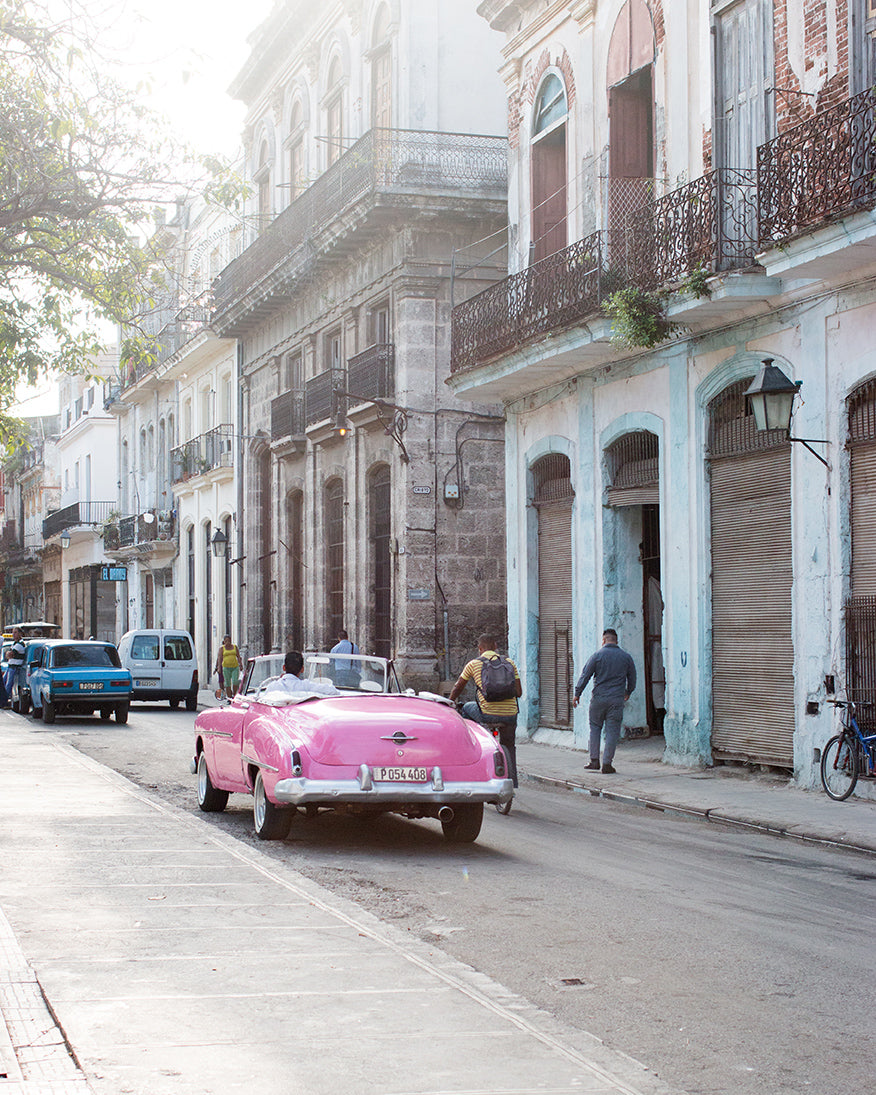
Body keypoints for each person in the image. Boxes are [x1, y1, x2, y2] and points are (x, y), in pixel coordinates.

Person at [449, 634, 522, 789]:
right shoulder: (509, 663)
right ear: (495, 646)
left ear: (480, 649)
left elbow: (458, 687)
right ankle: (512, 783)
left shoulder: (474, 664)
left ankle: (470, 743)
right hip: (510, 714)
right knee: (509, 745)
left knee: (465, 708)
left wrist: (450, 701)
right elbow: (519, 692)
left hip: (487, 713)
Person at [573, 628, 637, 774]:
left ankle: (594, 761)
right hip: (616, 700)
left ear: (603, 640)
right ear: (616, 641)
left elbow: (585, 675)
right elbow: (633, 678)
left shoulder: (597, 656)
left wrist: (577, 694)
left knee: (595, 728)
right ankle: (607, 764)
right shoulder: (626, 657)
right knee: (612, 731)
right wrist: (628, 691)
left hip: (598, 699)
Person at [271, 651, 341, 696]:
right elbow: (333, 691)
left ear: (284, 668)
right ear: (302, 669)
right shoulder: (306, 686)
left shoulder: (273, 686)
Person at [215, 635, 241, 701]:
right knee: (227, 683)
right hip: (226, 667)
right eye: (226, 641)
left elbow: (238, 656)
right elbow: (220, 658)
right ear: (224, 641)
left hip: (235, 667)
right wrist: (219, 668)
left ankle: (234, 695)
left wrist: (241, 664)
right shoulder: (222, 649)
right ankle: (229, 697)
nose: (227, 642)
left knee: (235, 681)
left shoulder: (235, 647)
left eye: (229, 641)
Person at [4, 627, 26, 700]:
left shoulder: (20, 644)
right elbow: (7, 654)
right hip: (10, 666)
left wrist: (9, 654)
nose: (13, 634)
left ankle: (5, 699)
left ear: (20, 634)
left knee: (9, 684)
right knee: (4, 682)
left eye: (15, 632)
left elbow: (10, 654)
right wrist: (8, 654)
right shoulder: (14, 643)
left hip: (14, 667)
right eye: (13, 632)